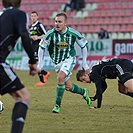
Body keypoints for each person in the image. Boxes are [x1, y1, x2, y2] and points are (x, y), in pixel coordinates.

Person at [38, 12, 91, 113]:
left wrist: (84, 63)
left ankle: (57, 105)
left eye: (60, 22)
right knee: (68, 87)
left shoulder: (73, 33)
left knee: (60, 77)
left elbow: (83, 46)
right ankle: (84, 92)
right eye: (56, 21)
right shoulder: (50, 34)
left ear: (65, 23)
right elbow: (41, 48)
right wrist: (41, 63)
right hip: (57, 62)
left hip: (69, 58)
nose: (57, 24)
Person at [0, 0, 39, 132]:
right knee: (23, 96)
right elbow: (23, 33)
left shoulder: (1, 15)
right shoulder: (19, 14)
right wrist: (33, 61)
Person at [29, 11, 50, 86]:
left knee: (36, 64)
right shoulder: (30, 27)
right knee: (32, 64)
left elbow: (46, 34)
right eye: (32, 16)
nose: (33, 17)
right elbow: (31, 36)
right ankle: (45, 74)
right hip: (33, 47)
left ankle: (42, 80)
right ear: (30, 17)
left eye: (35, 16)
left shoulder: (39, 25)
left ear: (37, 17)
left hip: (39, 46)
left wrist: (37, 37)